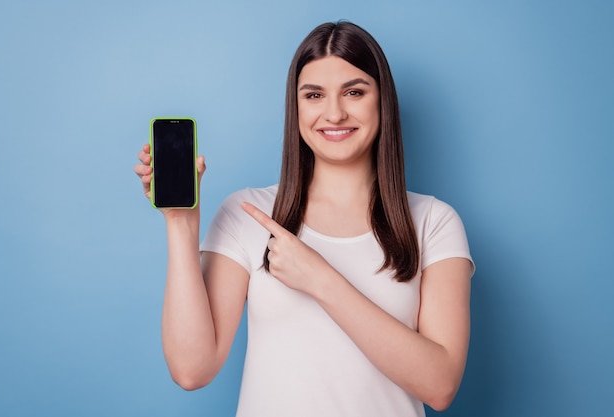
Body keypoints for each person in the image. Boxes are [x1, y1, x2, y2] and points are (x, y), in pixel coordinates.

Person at [135, 21, 474, 417]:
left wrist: (321, 279)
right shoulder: (248, 215)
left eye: (354, 92)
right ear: (295, 107)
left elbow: (440, 385)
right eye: (314, 95)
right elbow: (192, 369)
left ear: (382, 101)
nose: (334, 113)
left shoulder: (434, 222)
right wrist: (180, 224)